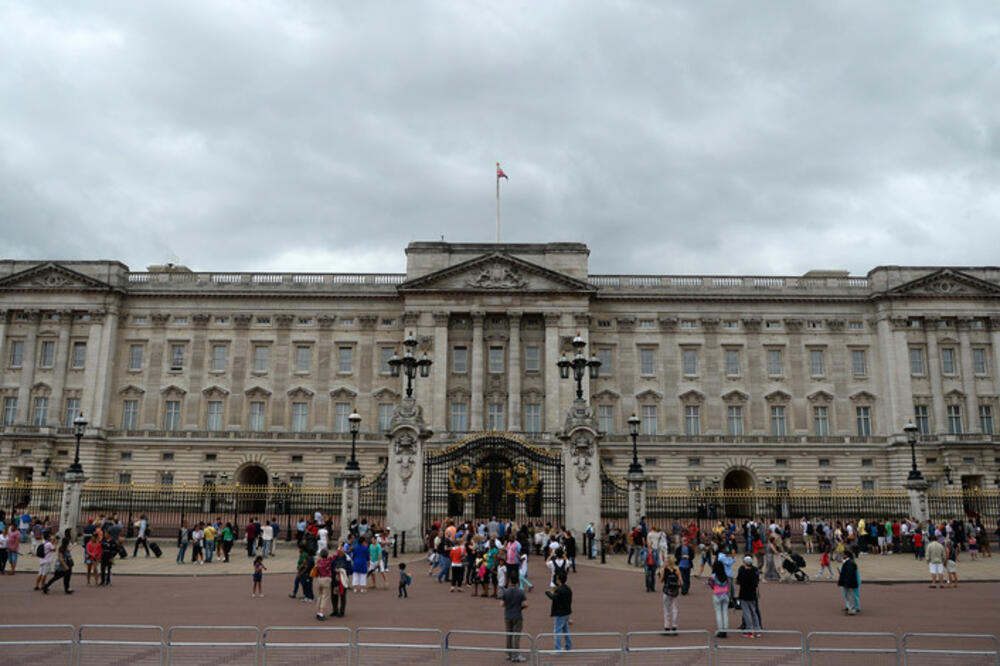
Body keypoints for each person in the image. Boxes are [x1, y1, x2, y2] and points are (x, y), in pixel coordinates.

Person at [501, 570, 528, 662]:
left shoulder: (506, 591)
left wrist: (508, 605)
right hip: (517, 615)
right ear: (517, 581)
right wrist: (519, 608)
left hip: (508, 615)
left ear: (510, 581)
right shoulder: (521, 592)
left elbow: (501, 604)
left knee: (509, 635)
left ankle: (509, 653)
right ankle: (516, 655)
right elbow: (525, 604)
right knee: (516, 636)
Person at [546, 571, 573, 652]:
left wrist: (548, 593)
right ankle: (568, 646)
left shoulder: (559, 590)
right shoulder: (568, 589)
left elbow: (554, 597)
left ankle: (558, 649)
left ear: (559, 580)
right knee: (566, 630)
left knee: (557, 631)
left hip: (560, 613)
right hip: (567, 612)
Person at [736, 556, 761, 637]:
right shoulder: (754, 570)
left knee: (746, 613)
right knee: (754, 612)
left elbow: (738, 581)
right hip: (752, 594)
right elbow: (756, 582)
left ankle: (749, 630)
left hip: (744, 594)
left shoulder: (742, 571)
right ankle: (758, 630)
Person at [43, 530, 74, 594]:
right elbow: (61, 558)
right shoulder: (61, 548)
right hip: (61, 566)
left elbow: (69, 550)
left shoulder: (65, 548)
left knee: (67, 578)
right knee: (56, 578)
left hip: (68, 564)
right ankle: (46, 586)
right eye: (68, 543)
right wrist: (65, 566)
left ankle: (67, 588)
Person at [660, 556, 682, 634]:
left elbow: (661, 581)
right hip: (675, 592)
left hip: (666, 591)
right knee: (675, 609)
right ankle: (674, 626)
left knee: (666, 609)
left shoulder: (665, 570)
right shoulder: (677, 570)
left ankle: (666, 626)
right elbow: (681, 582)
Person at [708, 559, 729, 639]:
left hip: (717, 595)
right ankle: (726, 629)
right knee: (725, 613)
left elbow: (711, 585)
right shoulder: (725, 575)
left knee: (718, 613)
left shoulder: (713, 576)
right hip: (725, 594)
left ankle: (720, 630)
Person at [837, 550, 860, 615]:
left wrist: (846, 583)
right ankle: (851, 609)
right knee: (849, 596)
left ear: (846, 555)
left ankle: (852, 610)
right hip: (849, 582)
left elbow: (849, 574)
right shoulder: (849, 562)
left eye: (843, 554)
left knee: (850, 596)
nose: (842, 556)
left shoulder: (849, 563)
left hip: (849, 582)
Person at [314, 548, 334, 620]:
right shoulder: (328, 561)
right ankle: (321, 613)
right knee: (325, 597)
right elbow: (336, 554)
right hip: (326, 579)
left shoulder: (318, 561)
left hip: (319, 579)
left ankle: (318, 611)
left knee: (319, 595)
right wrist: (340, 546)